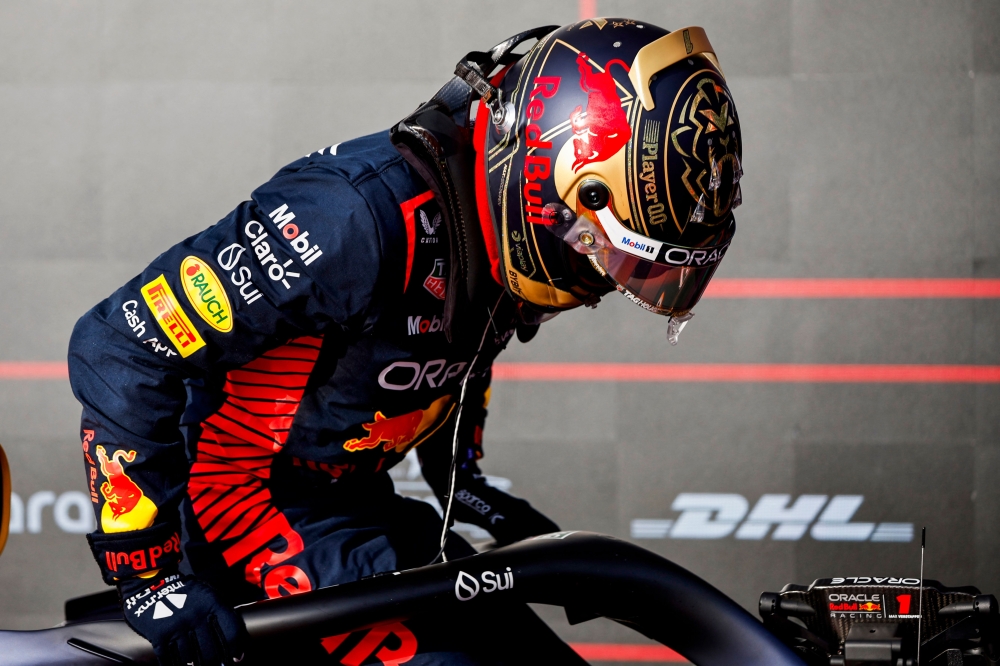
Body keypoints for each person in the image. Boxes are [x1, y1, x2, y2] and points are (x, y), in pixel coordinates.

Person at [68, 17, 742, 666]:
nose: (608, 281)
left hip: (352, 504)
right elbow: (120, 342)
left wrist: (477, 495)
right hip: (237, 504)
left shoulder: (498, 223)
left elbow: (449, 354)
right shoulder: (349, 220)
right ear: (548, 188)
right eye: (612, 254)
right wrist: (148, 576)